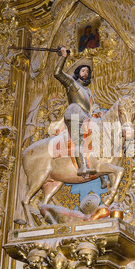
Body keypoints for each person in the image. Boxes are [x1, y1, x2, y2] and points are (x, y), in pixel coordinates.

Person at [53, 46, 97, 177]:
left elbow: (91, 106)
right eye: (83, 71)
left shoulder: (88, 91)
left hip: (85, 116)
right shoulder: (71, 82)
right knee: (78, 141)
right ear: (78, 72)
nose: (86, 73)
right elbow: (57, 73)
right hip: (74, 113)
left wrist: (98, 112)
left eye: (87, 72)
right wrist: (63, 57)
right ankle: (82, 167)